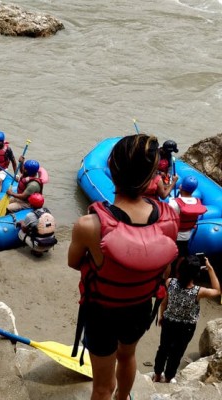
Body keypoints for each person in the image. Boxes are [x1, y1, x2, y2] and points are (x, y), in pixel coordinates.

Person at [68, 134, 179, 400]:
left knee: (101, 387)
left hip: (102, 312)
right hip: (140, 307)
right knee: (128, 356)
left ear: (112, 172)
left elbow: (74, 262)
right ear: (152, 176)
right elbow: (164, 269)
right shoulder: (170, 220)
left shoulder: (89, 225)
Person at [152, 255, 220, 384]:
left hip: (169, 322)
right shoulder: (198, 291)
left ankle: (156, 375)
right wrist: (210, 269)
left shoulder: (170, 282)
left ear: (180, 270)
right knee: (176, 353)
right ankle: (168, 378)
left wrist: (162, 316)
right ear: (196, 274)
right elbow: (217, 291)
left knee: (163, 349)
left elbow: (164, 302)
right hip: (186, 328)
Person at [168, 175, 207, 274]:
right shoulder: (197, 201)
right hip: (186, 236)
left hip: (174, 236)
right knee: (181, 255)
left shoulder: (173, 203)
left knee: (170, 256)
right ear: (194, 190)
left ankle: (168, 275)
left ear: (180, 186)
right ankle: (178, 272)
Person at [16, 193, 57, 257]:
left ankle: (37, 252)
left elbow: (24, 229)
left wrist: (21, 222)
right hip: (51, 243)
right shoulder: (48, 211)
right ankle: (45, 249)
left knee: (20, 233)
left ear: (31, 204)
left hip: (39, 245)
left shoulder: (30, 215)